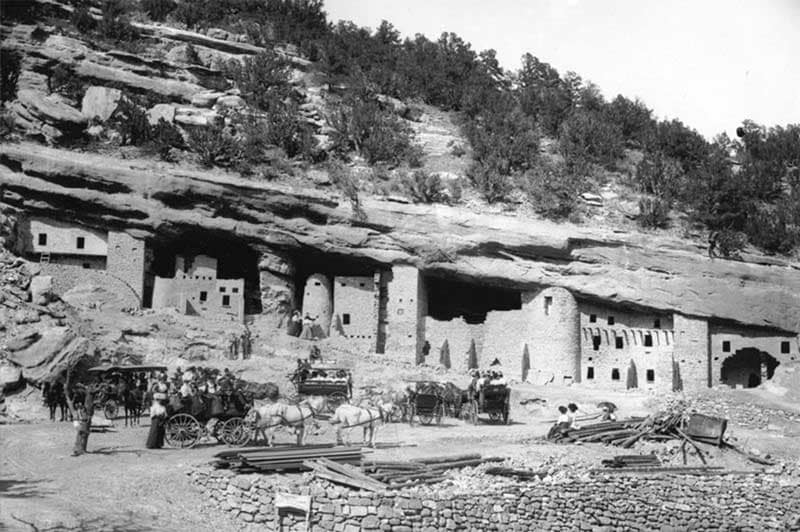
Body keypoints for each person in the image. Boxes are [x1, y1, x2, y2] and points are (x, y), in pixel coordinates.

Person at [65, 382, 95, 456]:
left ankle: (78, 449)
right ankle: (78, 449)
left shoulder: (86, 397)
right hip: (82, 417)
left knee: (81, 433)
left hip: (82, 418)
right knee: (81, 433)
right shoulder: (86, 396)